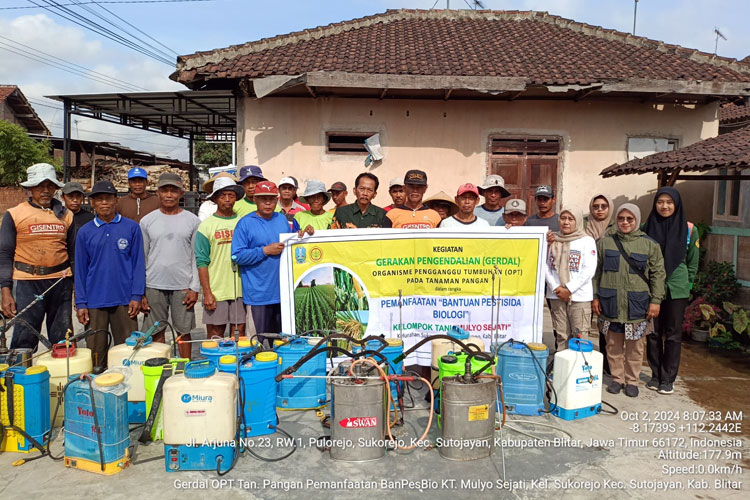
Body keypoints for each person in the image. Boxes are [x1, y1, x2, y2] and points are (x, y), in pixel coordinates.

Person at [593, 204, 665, 398]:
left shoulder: (650, 245)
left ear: (637, 220)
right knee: (613, 345)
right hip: (611, 302)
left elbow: (658, 275)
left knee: (635, 346)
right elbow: (596, 272)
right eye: (621, 218)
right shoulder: (605, 242)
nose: (625, 222)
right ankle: (617, 379)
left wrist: (656, 301)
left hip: (638, 303)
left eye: (630, 219)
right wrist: (595, 296)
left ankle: (632, 381)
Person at [0, 163, 74, 350]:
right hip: (27, 282)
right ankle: (21, 376)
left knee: (62, 338)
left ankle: (61, 378)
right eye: (40, 186)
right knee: (25, 337)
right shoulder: (15, 214)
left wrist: (77, 289)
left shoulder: (66, 215)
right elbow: (5, 253)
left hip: (60, 282)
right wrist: (5, 290)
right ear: (29, 189)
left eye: (50, 186)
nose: (45, 190)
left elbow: (73, 253)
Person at [75, 180, 145, 370]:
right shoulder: (85, 232)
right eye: (99, 200)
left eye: (108, 198)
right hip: (95, 301)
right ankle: (98, 391)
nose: (104, 203)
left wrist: (136, 295)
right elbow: (80, 270)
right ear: (92, 203)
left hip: (124, 300)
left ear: (116, 200)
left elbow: (138, 264)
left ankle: (129, 392)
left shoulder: (131, 228)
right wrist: (81, 302)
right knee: (96, 354)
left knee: (128, 352)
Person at [232, 181, 311, 341]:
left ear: (277, 200)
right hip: (258, 295)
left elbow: (292, 243)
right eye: (263, 199)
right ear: (255, 200)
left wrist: (305, 234)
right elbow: (237, 256)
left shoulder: (282, 220)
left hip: (283, 294)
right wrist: (264, 251)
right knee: (258, 343)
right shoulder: (245, 223)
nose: (267, 203)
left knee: (282, 342)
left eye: (271, 199)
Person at [643, 187, 699, 395]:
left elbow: (693, 262)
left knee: (673, 335)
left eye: (669, 202)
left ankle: (668, 378)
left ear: (676, 204)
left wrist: (688, 285)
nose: (664, 206)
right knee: (653, 332)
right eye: (660, 202)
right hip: (651, 288)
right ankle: (655, 375)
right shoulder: (646, 227)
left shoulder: (690, 229)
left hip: (677, 289)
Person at [140, 173, 201, 359]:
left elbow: (196, 257)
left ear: (181, 193)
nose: (168, 195)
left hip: (182, 285)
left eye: (173, 191)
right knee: (156, 330)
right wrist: (141, 290)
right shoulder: (147, 221)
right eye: (164, 190)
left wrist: (194, 287)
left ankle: (184, 368)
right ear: (157, 193)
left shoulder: (193, 221)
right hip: (154, 284)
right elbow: (141, 257)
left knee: (183, 331)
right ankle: (159, 368)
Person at [195, 177, 247, 339]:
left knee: (238, 334)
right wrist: (207, 293)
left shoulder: (243, 223)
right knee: (215, 335)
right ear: (215, 198)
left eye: (231, 195)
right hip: (217, 290)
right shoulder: (206, 226)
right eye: (222, 195)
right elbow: (202, 262)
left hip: (240, 290)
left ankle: (236, 365)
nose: (227, 200)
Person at [545, 207, 597, 350]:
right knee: (561, 335)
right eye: (563, 218)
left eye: (571, 219)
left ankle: (578, 370)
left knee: (580, 336)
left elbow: (588, 270)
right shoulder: (552, 239)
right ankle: (562, 370)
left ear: (578, 221)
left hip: (579, 297)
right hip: (556, 295)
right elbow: (545, 265)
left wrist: (569, 289)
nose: (566, 222)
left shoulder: (587, 241)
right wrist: (556, 287)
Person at [585, 193, 614, 375]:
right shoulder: (584, 227)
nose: (600, 210)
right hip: (585, 282)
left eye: (604, 206)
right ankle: (583, 362)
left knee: (606, 325)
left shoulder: (616, 228)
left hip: (606, 281)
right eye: (596, 206)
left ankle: (607, 364)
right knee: (584, 323)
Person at [62, 181, 95, 273]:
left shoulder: (90, 218)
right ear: (63, 197)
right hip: (62, 265)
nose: (75, 200)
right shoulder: (57, 217)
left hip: (84, 263)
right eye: (71, 196)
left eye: (78, 196)